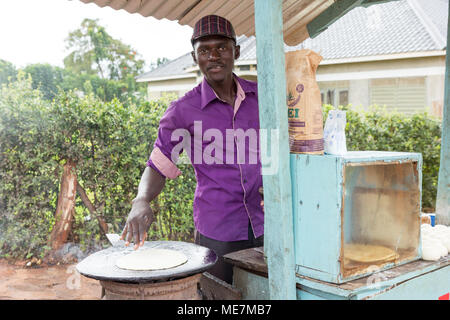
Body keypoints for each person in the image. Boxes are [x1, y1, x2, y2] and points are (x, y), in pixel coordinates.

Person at [120, 15, 264, 285]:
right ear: (195, 57)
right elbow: (159, 164)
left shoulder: (263, 98)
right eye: (204, 50)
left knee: (265, 295)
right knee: (218, 299)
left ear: (237, 51)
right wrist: (142, 200)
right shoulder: (183, 111)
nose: (214, 56)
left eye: (221, 47)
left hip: (268, 225)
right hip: (218, 230)